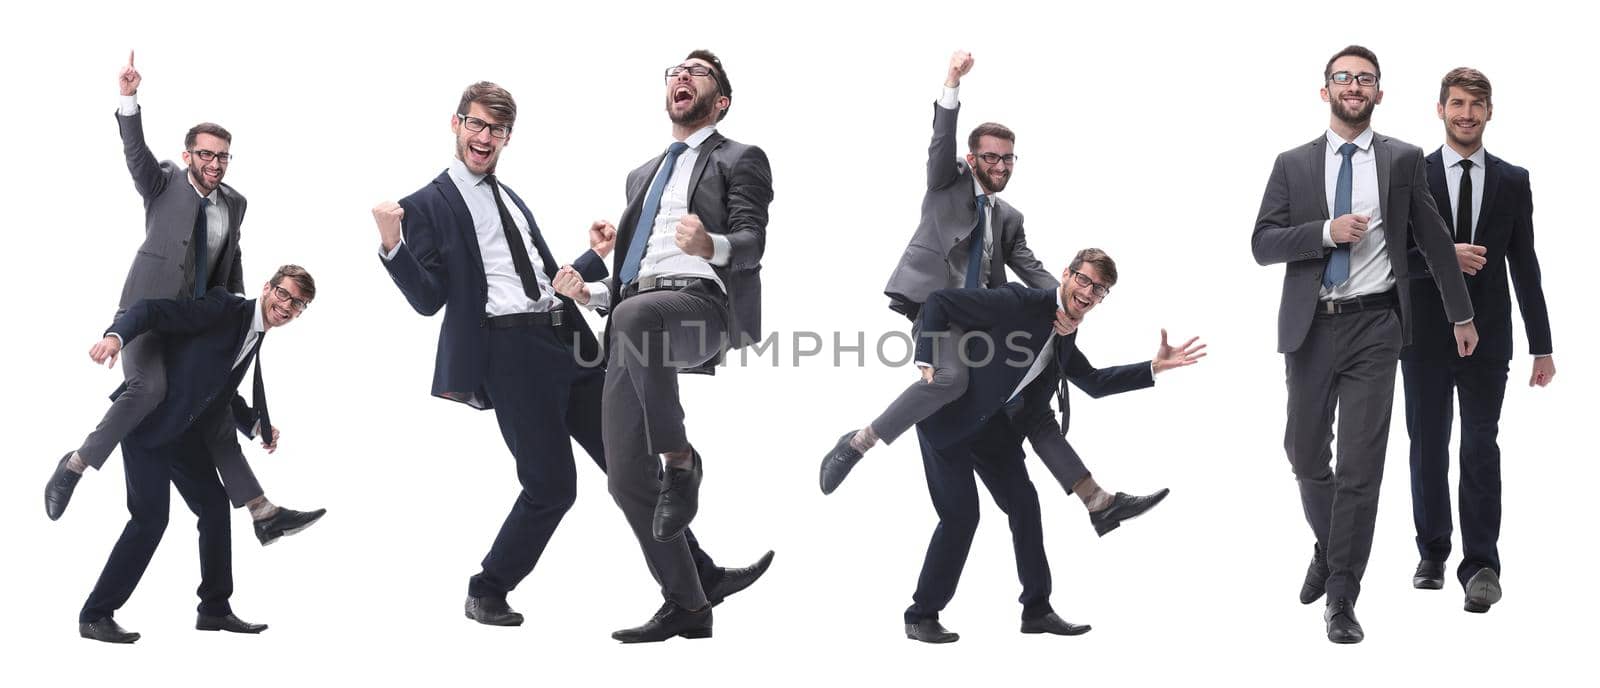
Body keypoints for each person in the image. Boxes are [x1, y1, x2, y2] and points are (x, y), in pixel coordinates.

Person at [376, 81, 771, 631]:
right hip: (508, 351)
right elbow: (428, 299)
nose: (485, 137)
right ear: (456, 124)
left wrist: (595, 257)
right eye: (477, 124)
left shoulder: (508, 196)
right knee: (552, 485)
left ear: (507, 137)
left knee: (627, 463)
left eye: (497, 129)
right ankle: (488, 587)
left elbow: (539, 281)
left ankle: (698, 575)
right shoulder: (424, 204)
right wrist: (392, 245)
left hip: (567, 339)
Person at [817, 51, 1158, 529]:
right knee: (952, 380)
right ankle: (859, 441)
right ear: (972, 158)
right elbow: (940, 143)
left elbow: (1034, 270)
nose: (1000, 164)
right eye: (990, 156)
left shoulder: (1010, 218)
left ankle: (1098, 503)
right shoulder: (946, 183)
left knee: (1030, 400)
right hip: (940, 310)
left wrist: (1070, 306)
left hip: (985, 318)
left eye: (1007, 157)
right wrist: (952, 83)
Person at [44, 51, 320, 546]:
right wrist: (129, 98)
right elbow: (135, 155)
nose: (214, 164)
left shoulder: (235, 203)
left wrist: (235, 311)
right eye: (206, 154)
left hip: (195, 318)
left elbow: (230, 258)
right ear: (189, 153)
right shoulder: (164, 183)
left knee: (212, 396)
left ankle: (262, 512)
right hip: (147, 315)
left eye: (222, 156)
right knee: (147, 389)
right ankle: (76, 464)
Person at [1251, 45, 1478, 644]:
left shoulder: (1403, 160)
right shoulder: (1292, 163)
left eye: (1367, 79)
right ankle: (1332, 543)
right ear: (1325, 90)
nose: (1355, 85)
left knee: (1360, 466)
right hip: (1310, 328)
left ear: (1379, 93)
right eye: (1344, 77)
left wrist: (1461, 316)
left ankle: (1343, 596)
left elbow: (1433, 240)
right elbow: (1262, 243)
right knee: (1303, 452)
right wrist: (1325, 232)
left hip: (1377, 326)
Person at [553, 49, 775, 643]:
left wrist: (712, 245)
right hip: (633, 315)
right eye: (675, 70)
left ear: (719, 100)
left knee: (639, 316)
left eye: (696, 73)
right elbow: (631, 275)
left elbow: (753, 240)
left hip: (700, 305)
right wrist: (592, 293)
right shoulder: (641, 175)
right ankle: (689, 603)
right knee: (625, 476)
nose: (681, 76)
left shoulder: (740, 157)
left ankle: (681, 461)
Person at [898, 249, 1205, 643]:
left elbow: (1093, 382)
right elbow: (940, 302)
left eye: (1100, 290)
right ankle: (921, 615)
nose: (1090, 293)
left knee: (1025, 506)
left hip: (992, 430)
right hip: (949, 421)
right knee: (962, 517)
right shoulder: (1021, 301)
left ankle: (1037, 610)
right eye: (1085, 281)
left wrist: (1154, 367)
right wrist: (926, 359)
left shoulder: (1064, 333)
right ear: (1067, 274)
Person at [77, 266, 316, 643]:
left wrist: (254, 426)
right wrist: (116, 337)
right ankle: (95, 615)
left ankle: (215, 610)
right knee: (150, 520)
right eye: (284, 295)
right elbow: (151, 310)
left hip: (183, 433)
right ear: (267, 288)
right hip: (149, 427)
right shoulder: (225, 309)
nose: (287, 306)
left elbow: (218, 389)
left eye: (299, 304)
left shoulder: (253, 334)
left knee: (215, 507)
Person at [1401, 67, 1554, 613]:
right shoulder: (1409, 174)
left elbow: (1525, 265)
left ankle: (1482, 564)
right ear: (1440, 108)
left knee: (1479, 447)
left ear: (1490, 112)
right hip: (1422, 335)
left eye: (1477, 104)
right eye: (1457, 103)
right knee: (1427, 447)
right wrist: (1445, 258)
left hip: (1489, 337)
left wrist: (1543, 344)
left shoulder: (1513, 180)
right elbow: (1391, 259)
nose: (1467, 113)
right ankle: (1432, 551)